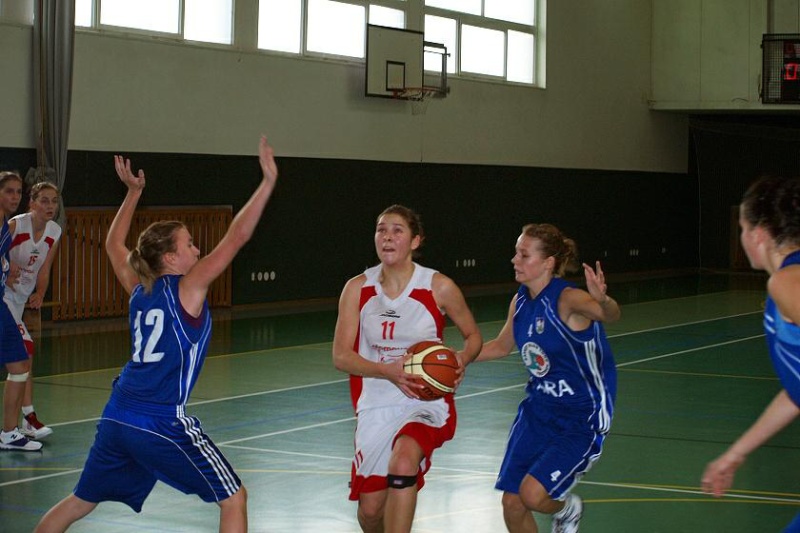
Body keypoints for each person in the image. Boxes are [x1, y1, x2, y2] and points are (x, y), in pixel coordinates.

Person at [34, 135, 279, 533]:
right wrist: (267, 183)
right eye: (190, 244)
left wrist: (133, 193)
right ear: (170, 258)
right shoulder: (189, 288)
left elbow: (113, 243)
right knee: (234, 498)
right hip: (159, 420)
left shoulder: (139, 288)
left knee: (80, 501)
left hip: (117, 414)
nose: (197, 250)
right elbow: (236, 237)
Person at [332, 204, 482, 533]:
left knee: (403, 461)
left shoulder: (438, 286)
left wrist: (462, 358)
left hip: (424, 400)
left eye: (397, 230)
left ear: (415, 241)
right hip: (376, 401)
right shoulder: (357, 288)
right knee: (370, 512)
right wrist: (387, 371)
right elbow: (341, 356)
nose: (387, 236)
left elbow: (473, 337)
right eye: (381, 230)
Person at [475, 223, 620, 533]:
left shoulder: (568, 299)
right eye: (516, 253)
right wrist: (456, 357)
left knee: (532, 495)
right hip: (538, 412)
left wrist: (603, 300)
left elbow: (610, 315)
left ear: (548, 262)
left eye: (523, 254)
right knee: (512, 504)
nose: (514, 260)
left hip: (581, 417)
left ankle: (567, 509)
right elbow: (501, 346)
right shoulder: (520, 300)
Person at [702, 175, 800, 532]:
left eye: (742, 229)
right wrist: (736, 454)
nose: (742, 237)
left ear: (757, 234)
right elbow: (796, 391)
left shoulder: (786, 281)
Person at [4, 181, 62, 440]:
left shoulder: (54, 231)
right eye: (44, 200)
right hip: (3, 298)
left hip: (18, 302)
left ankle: (21, 422)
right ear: (32, 203)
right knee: (24, 352)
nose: (50, 206)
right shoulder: (16, 225)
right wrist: (6, 270)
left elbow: (45, 268)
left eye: (54, 201)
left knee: (23, 359)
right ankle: (27, 418)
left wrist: (40, 292)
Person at [0, 171, 43, 451]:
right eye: (9, 191)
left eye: (18, 191)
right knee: (18, 364)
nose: (15, 196)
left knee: (19, 365)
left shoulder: (5, 224)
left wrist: (7, 268)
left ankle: (9, 433)